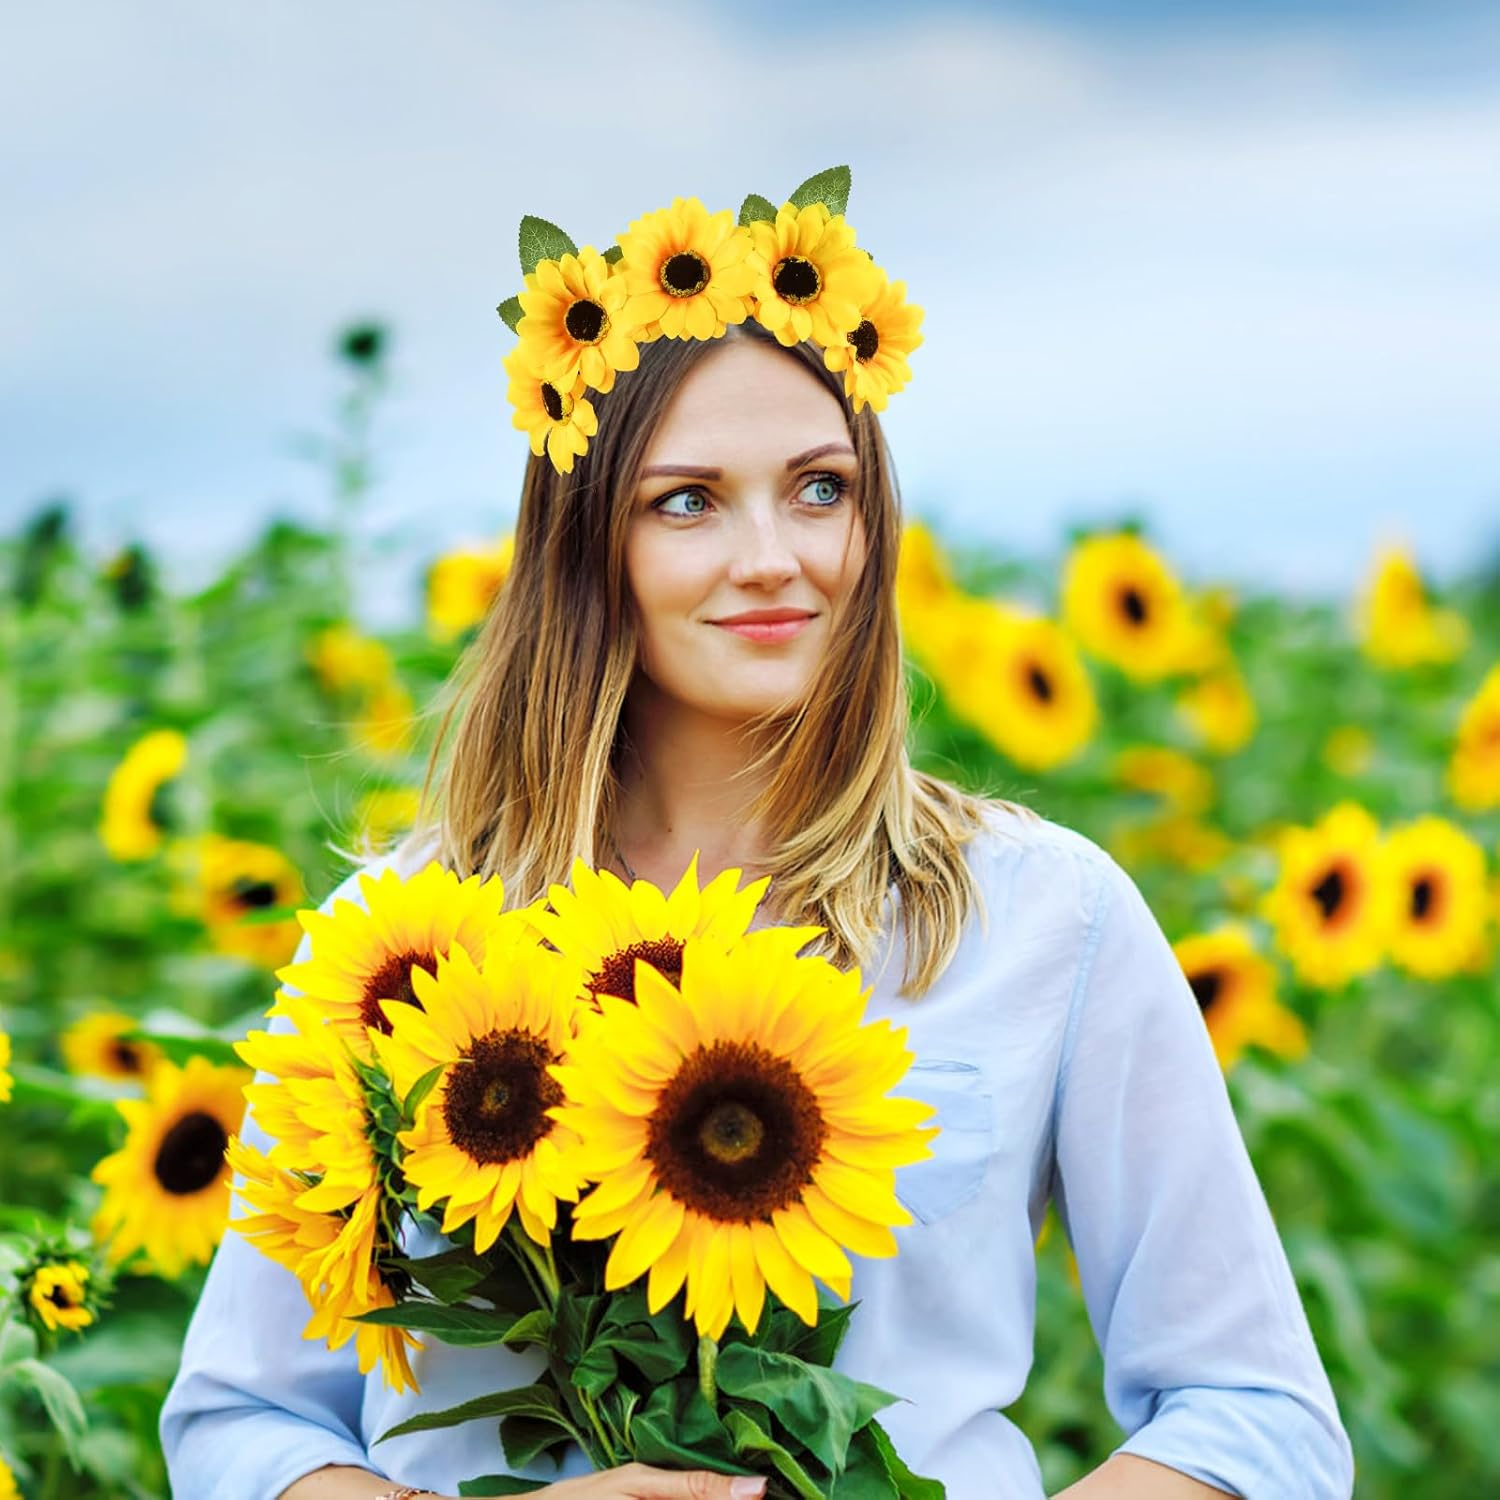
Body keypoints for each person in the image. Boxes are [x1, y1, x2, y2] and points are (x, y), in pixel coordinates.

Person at [160, 211, 1354, 1499]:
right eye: (687, 503)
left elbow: (1257, 1416)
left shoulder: (1040, 916)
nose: (774, 558)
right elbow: (241, 1425)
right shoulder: (395, 947)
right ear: (586, 554)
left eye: (819, 487)